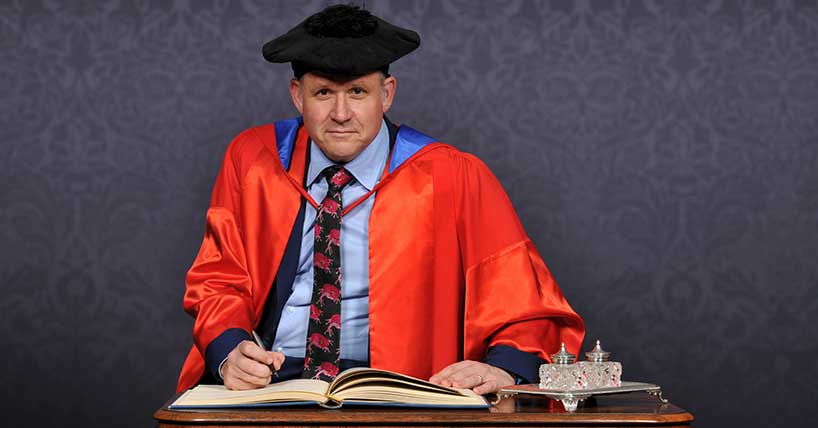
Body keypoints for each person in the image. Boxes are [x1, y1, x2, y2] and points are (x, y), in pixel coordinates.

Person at [177, 4, 584, 395]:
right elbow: (218, 277)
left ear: (386, 94)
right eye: (322, 93)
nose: (340, 113)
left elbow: (523, 301)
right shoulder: (254, 160)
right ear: (297, 96)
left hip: (400, 386)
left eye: (357, 91)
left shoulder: (451, 175)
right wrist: (230, 350)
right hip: (272, 381)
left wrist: (502, 367)